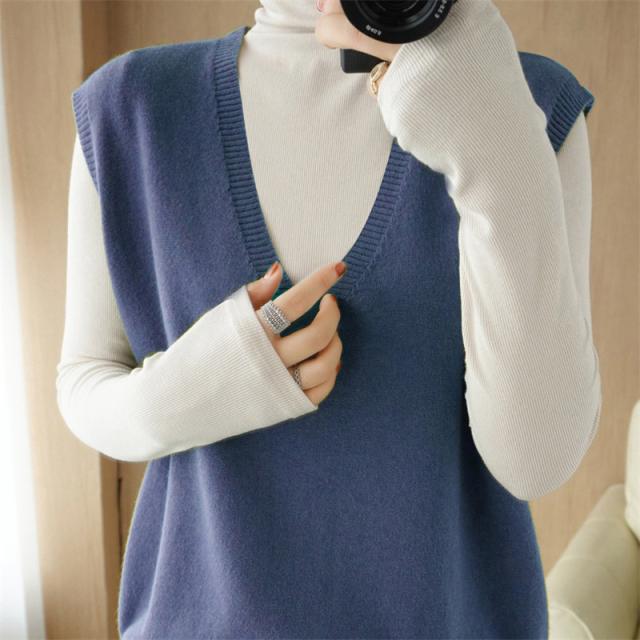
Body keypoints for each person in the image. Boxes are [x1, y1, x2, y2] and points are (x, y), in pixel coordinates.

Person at [56, 0, 601, 636]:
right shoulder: (133, 108)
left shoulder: (523, 99)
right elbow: (84, 380)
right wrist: (204, 384)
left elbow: (536, 460)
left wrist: (495, 150)